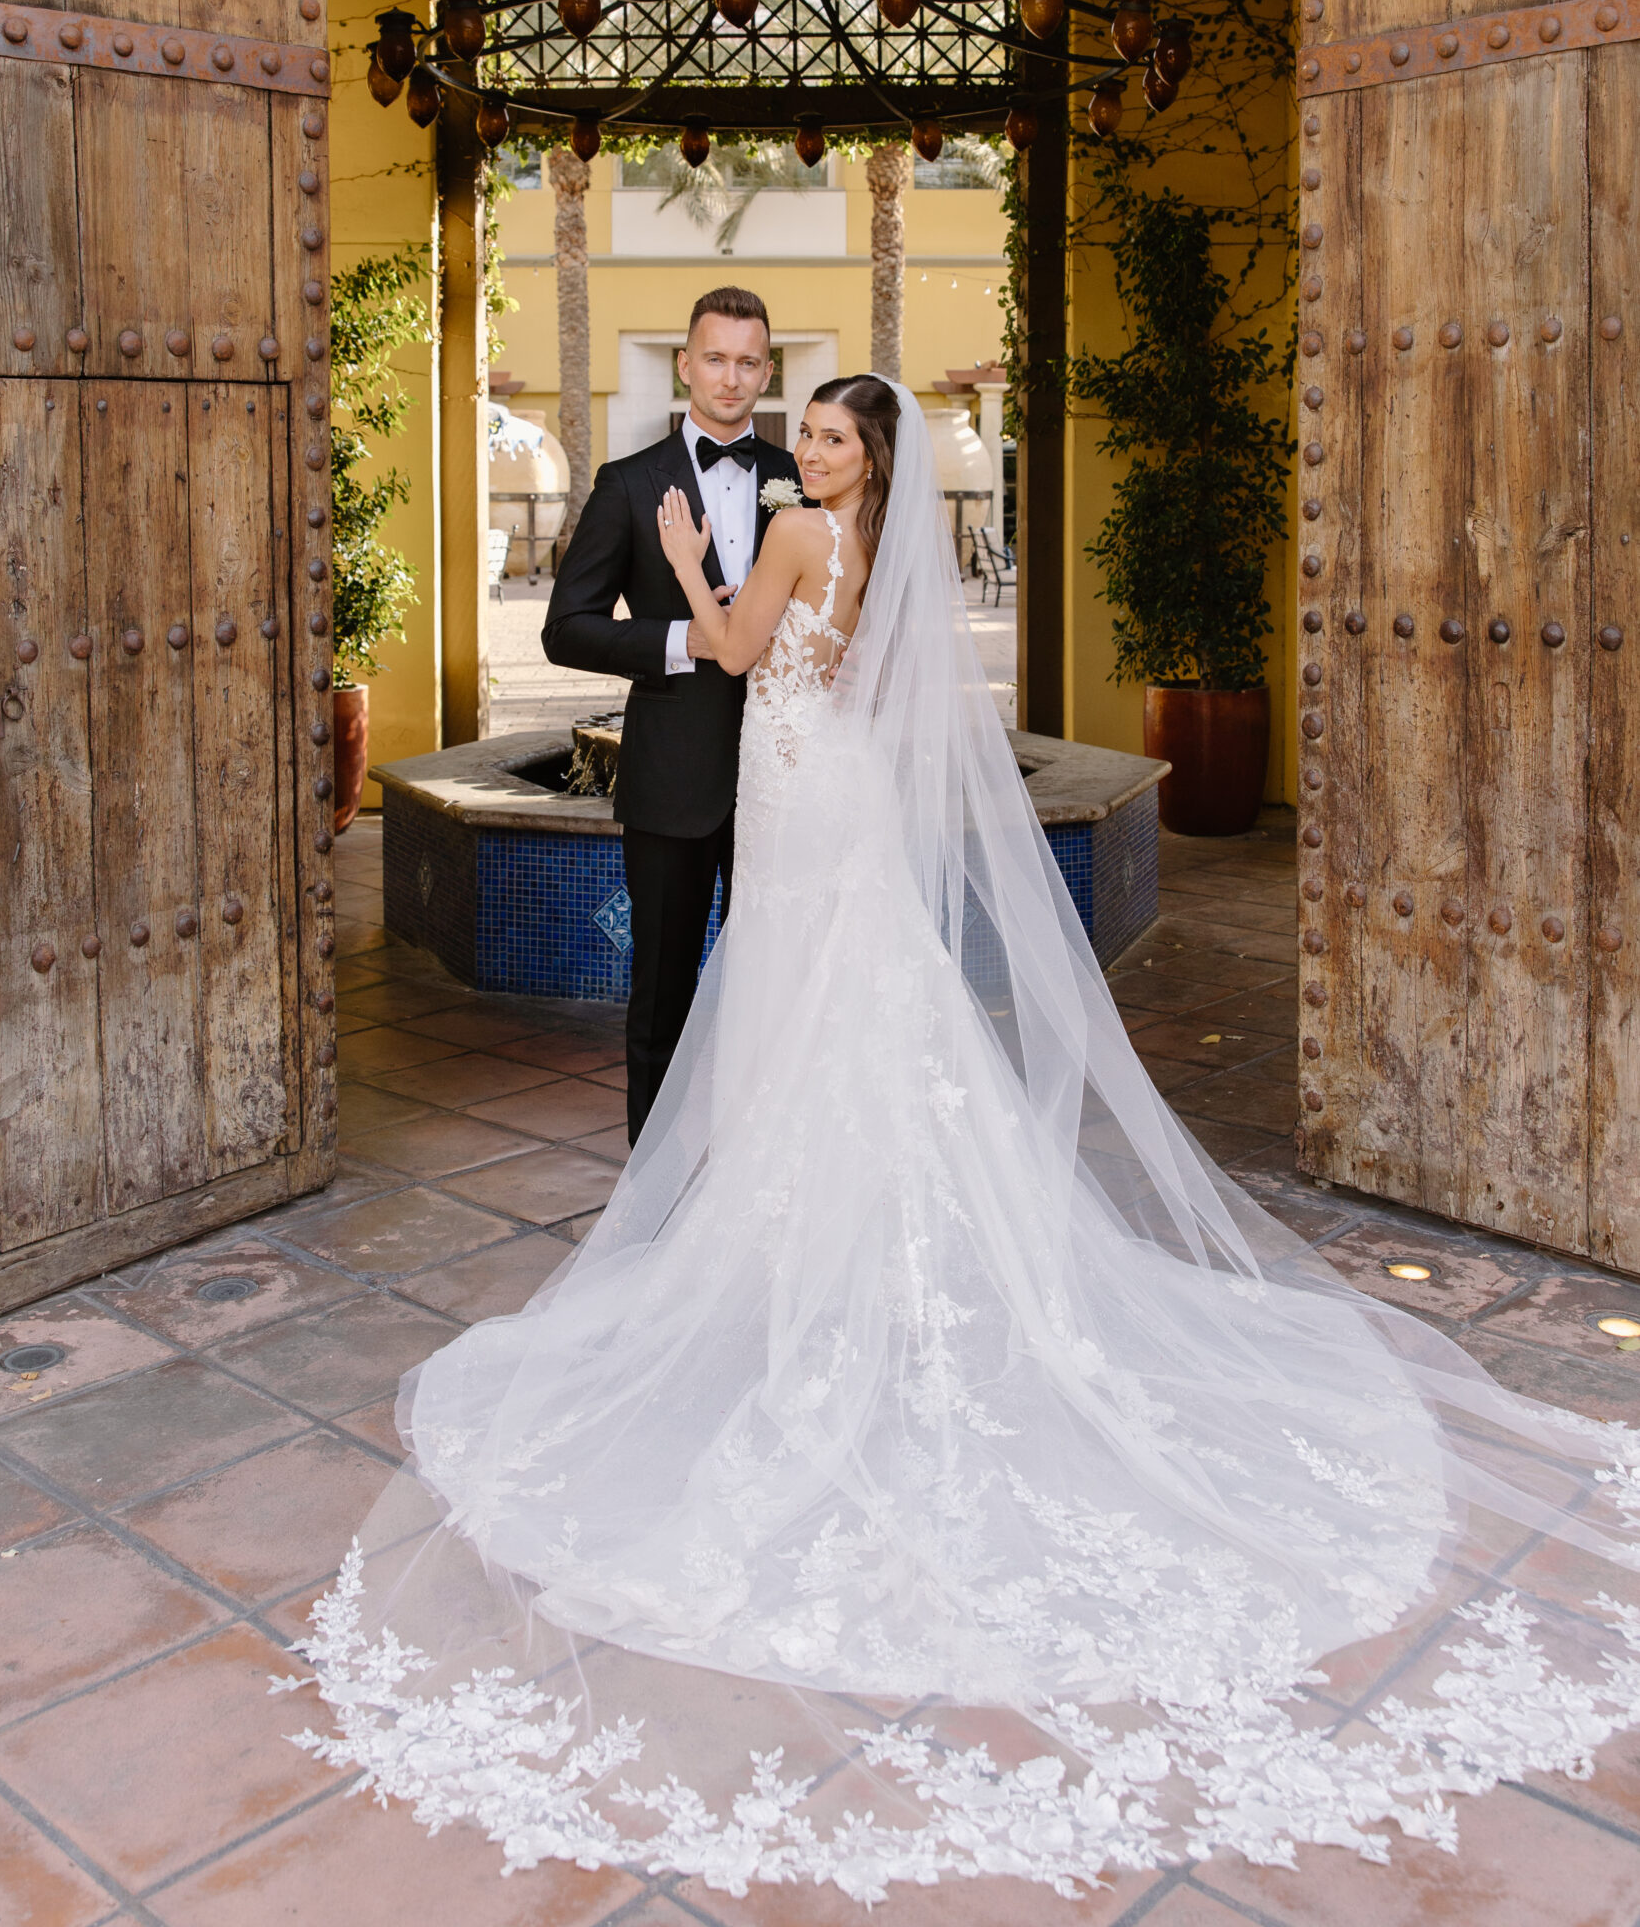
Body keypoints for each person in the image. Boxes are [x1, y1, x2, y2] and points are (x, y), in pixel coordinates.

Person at [299, 379, 1640, 1907]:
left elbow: (733, 655)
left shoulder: (797, 536)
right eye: (801, 433)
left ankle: (808, 1267)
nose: (804, 453)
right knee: (860, 1030)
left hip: (800, 814)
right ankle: (859, 1253)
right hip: (843, 811)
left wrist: (683, 556)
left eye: (825, 439)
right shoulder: (885, 558)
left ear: (858, 460)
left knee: (799, 1031)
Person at [541, 285, 797, 1142]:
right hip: (670, 778)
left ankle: (762, 1162)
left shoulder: (801, 482)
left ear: (767, 371)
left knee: (784, 985)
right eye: (714, 358)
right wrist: (684, 636)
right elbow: (565, 629)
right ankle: (654, 1185)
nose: (731, 377)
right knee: (662, 991)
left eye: (748, 361)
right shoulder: (626, 484)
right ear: (685, 365)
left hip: (784, 778)